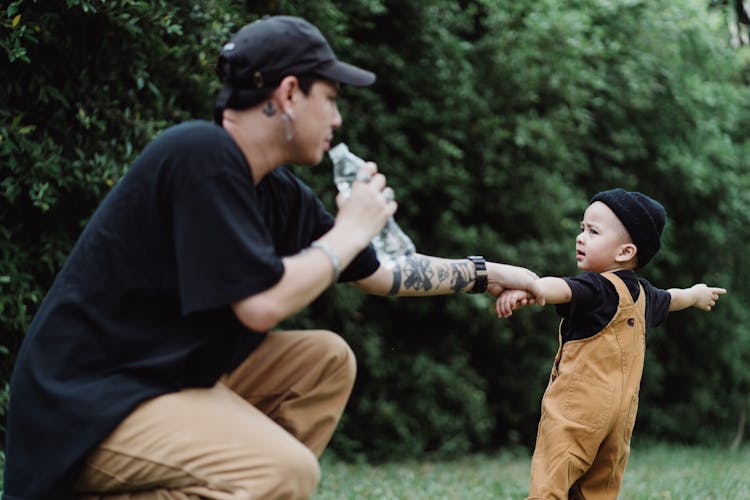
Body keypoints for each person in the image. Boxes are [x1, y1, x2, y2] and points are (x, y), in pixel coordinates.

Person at [2, 15, 540, 500]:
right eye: (329, 98)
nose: (336, 118)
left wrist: (487, 273)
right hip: (87, 405)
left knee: (325, 360)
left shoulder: (280, 194)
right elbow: (258, 307)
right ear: (287, 94)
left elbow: (381, 273)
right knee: (283, 472)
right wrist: (349, 229)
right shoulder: (199, 154)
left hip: (161, 382)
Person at [495, 188, 726, 500]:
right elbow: (674, 297)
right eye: (581, 228)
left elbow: (560, 289)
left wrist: (529, 288)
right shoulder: (645, 296)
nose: (580, 237)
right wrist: (696, 294)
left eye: (592, 231)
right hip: (620, 421)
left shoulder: (595, 287)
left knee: (552, 481)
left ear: (625, 252)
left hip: (575, 411)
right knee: (597, 490)